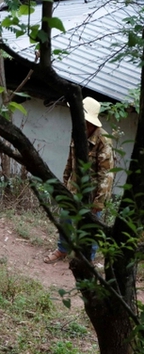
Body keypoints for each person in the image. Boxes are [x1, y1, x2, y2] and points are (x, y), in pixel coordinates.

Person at [43, 96, 115, 264]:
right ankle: (63, 249)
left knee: (90, 228)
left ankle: (87, 261)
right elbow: (71, 161)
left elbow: (107, 175)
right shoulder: (77, 133)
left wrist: (99, 203)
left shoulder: (103, 141)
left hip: (92, 194)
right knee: (65, 218)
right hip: (74, 189)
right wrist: (65, 182)